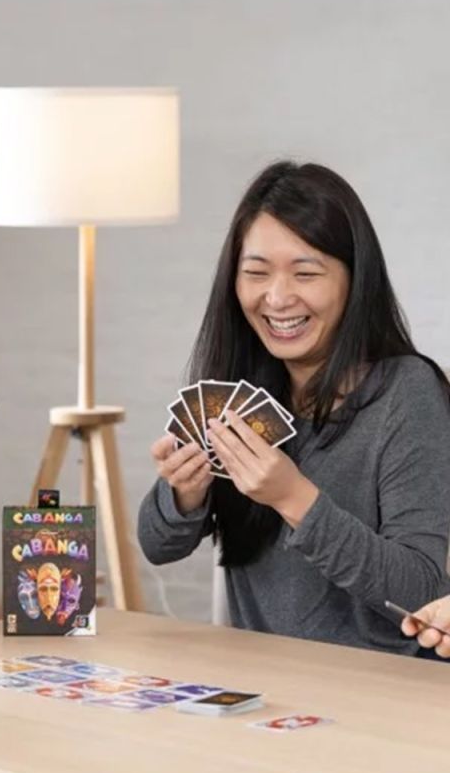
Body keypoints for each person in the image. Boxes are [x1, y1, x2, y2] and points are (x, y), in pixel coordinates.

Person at [139, 161, 450, 656]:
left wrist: (294, 499)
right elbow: (158, 546)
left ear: (354, 281)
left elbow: (421, 590)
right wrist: (184, 496)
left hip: (381, 694)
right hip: (262, 688)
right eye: (256, 274)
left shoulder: (406, 393)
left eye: (306, 273)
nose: (278, 298)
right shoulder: (238, 393)